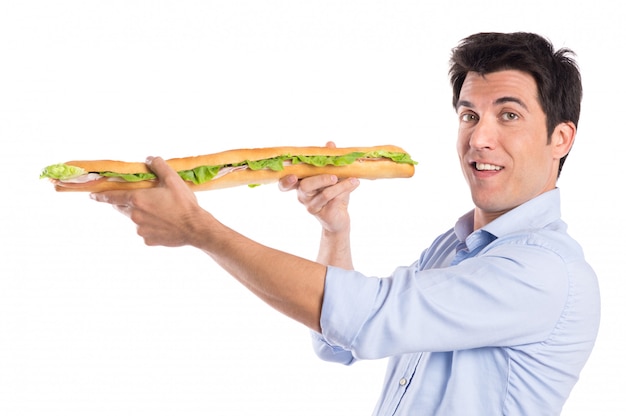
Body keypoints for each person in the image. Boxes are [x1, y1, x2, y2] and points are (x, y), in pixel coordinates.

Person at [90, 32, 601, 415]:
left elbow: (366, 317)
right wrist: (335, 229)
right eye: (469, 115)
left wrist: (199, 229)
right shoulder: (456, 248)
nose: (479, 138)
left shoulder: (544, 270)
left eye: (507, 116)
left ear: (561, 138)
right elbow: (337, 342)